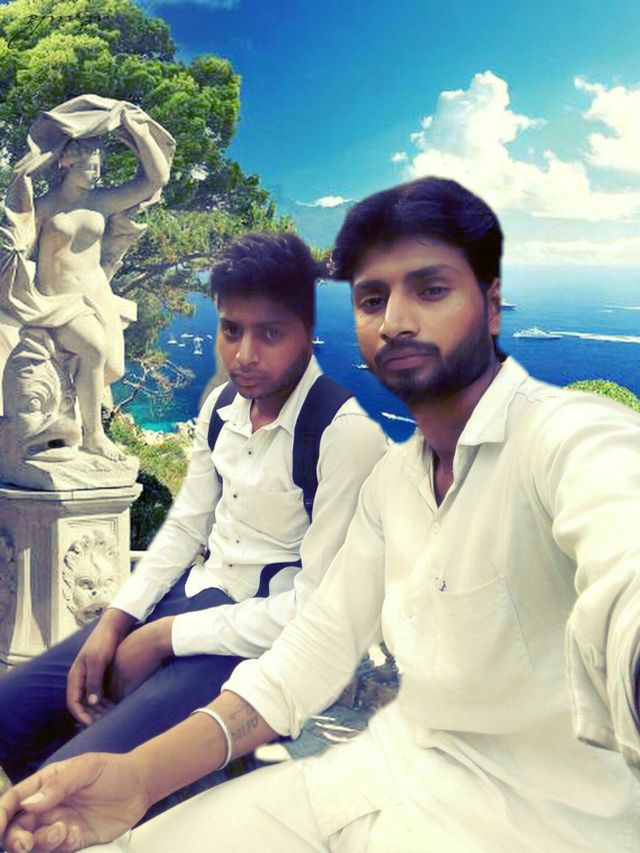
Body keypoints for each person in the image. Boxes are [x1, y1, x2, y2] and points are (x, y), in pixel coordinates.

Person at [2, 176, 640, 853]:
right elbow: (314, 647)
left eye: (431, 289)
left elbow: (622, 563)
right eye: (373, 299)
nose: (395, 321)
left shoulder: (571, 439)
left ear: (489, 304)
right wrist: (138, 776)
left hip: (548, 825)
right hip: (384, 776)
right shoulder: (394, 484)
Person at [0, 230, 387, 789]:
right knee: (10, 714)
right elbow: (184, 528)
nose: (244, 355)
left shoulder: (344, 435)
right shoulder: (222, 407)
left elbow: (317, 609)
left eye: (270, 333)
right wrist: (117, 619)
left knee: (70, 779)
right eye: (231, 330)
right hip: (189, 598)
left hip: (256, 637)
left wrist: (162, 637)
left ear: (307, 332)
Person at [0, 96, 175, 461]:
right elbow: (19, 243)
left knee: (113, 367)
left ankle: (69, 416)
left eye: (99, 167)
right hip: (58, 302)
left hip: (97, 296)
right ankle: (93, 436)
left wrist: (137, 129)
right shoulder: (44, 207)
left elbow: (155, 179)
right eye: (91, 167)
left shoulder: (101, 202)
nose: (97, 173)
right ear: (67, 163)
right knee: (93, 348)